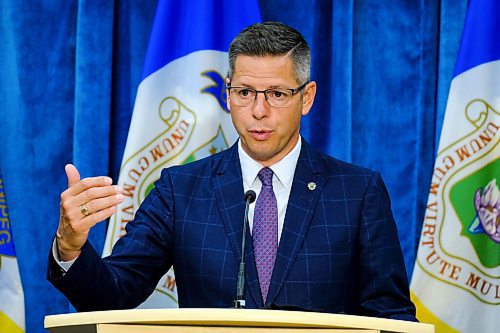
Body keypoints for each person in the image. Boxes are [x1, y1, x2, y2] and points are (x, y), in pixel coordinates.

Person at [48, 22, 417, 321]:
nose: (258, 111)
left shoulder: (357, 191)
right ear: (227, 94)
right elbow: (114, 295)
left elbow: (391, 316)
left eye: (276, 94)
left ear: (306, 98)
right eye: (244, 92)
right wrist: (69, 246)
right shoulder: (181, 189)